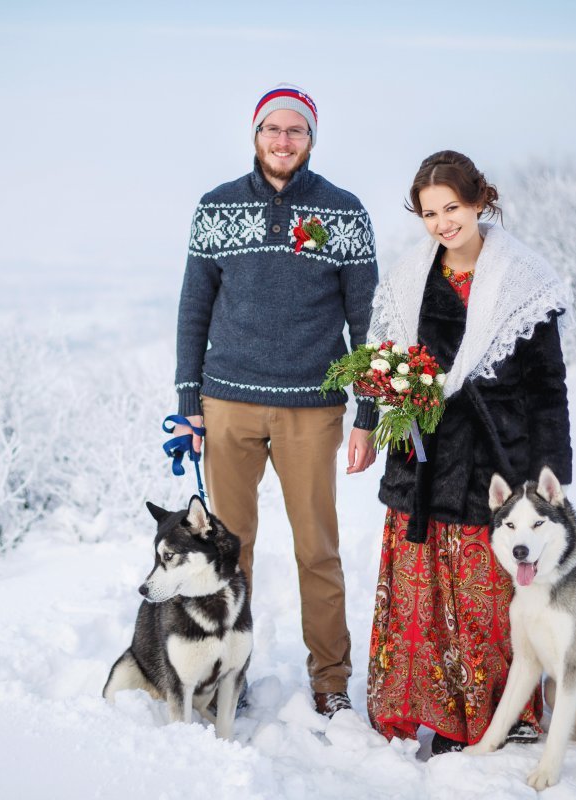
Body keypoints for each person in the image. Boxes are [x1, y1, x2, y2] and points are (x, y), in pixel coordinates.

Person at [172, 84, 379, 716]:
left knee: (317, 548)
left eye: (295, 131)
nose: (283, 140)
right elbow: (193, 309)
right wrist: (189, 402)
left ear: (311, 139)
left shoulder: (343, 212)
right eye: (272, 129)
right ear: (255, 134)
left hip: (311, 408)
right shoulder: (217, 207)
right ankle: (219, 678)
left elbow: (366, 319)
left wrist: (367, 414)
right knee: (226, 552)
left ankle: (331, 683)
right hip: (227, 401)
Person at [364, 150, 573, 754]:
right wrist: (385, 405)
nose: (442, 223)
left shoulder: (523, 281)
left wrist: (549, 472)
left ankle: (489, 720)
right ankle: (420, 711)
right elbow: (385, 363)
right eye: (429, 213)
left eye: (452, 207)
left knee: (488, 597)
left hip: (496, 464)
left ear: (480, 200)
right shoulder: (409, 280)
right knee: (419, 593)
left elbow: (547, 386)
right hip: (423, 462)